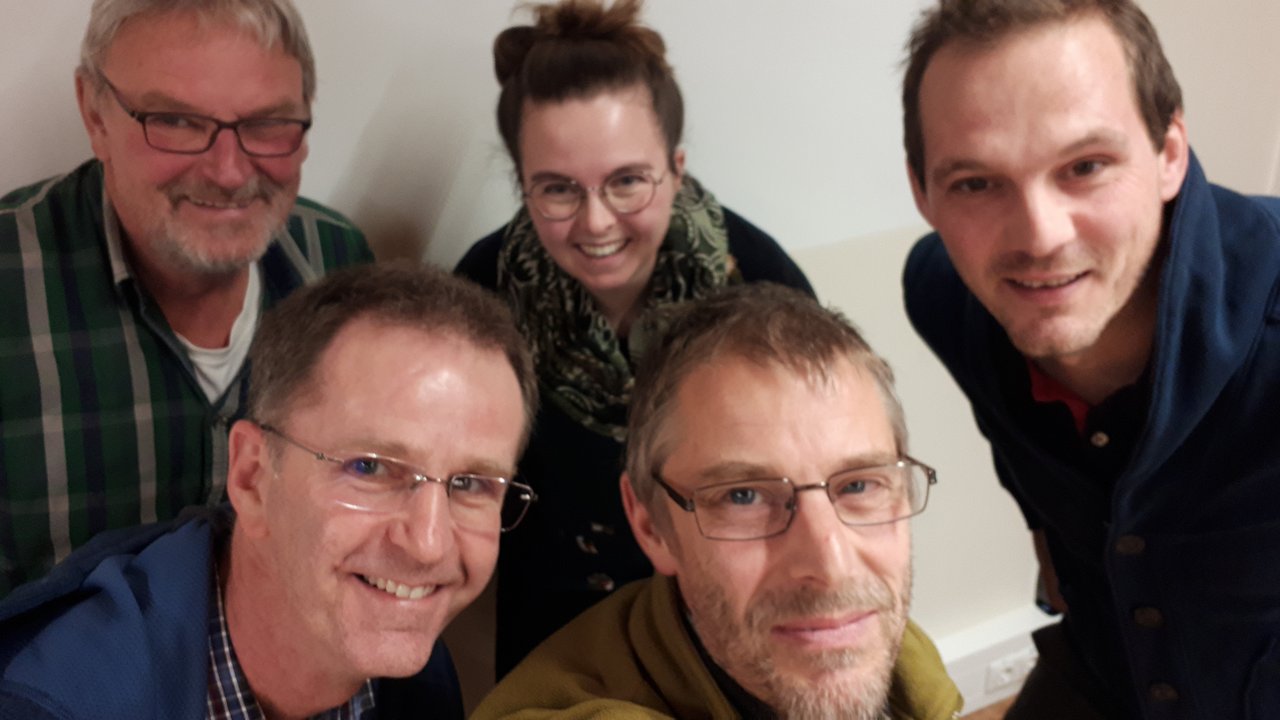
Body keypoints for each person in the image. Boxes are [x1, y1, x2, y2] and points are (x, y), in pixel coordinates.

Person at [901, 1, 1280, 717]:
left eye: (1085, 166)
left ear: (1170, 153)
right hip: (1103, 663)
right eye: (976, 183)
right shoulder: (945, 298)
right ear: (922, 191)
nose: (1039, 237)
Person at [0, 263, 540, 719]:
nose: (427, 545)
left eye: (470, 484)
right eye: (371, 468)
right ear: (252, 476)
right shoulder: (53, 704)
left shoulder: (414, 678)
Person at [454, 0, 815, 676]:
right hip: (558, 638)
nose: (596, 222)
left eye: (626, 181)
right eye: (558, 189)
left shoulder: (761, 285)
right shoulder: (481, 294)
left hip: (730, 619)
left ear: (675, 169)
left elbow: (805, 482)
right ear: (522, 185)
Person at [0, 0, 372, 597]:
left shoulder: (339, 265)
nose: (229, 172)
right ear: (95, 115)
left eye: (267, 123)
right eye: (175, 121)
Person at [472, 283, 962, 719]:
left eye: (858, 486)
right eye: (743, 496)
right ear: (650, 524)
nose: (832, 569)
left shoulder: (890, 650)